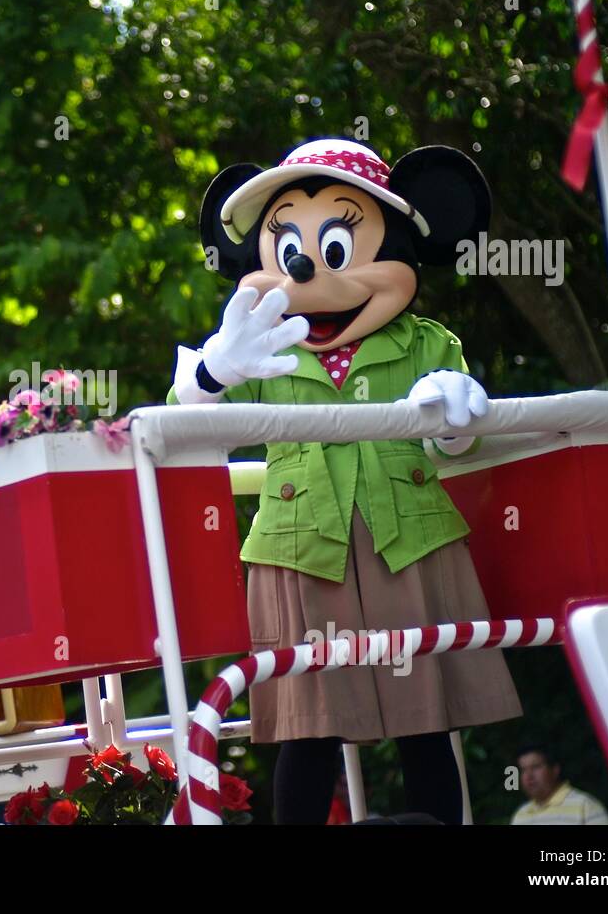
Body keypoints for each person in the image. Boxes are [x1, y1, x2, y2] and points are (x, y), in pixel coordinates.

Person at [170, 139, 523, 825]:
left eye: (339, 247)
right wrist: (216, 371)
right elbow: (189, 429)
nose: (308, 270)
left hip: (408, 544)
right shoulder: (260, 350)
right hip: (304, 557)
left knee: (427, 725)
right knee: (310, 729)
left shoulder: (426, 342)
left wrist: (453, 410)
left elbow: (457, 436)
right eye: (287, 250)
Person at [511, 744, 608, 825]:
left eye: (536, 767)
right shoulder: (521, 814)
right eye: (523, 770)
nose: (529, 776)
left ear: (555, 770)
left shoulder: (584, 806)